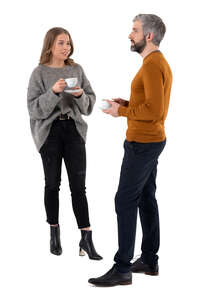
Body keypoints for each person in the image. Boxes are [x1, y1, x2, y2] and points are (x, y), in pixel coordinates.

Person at [88, 14, 173, 286]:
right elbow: (149, 103)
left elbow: (155, 110)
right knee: (146, 198)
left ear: (148, 36)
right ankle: (149, 259)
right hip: (150, 139)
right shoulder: (155, 62)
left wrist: (121, 111)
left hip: (143, 143)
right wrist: (126, 102)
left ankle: (122, 267)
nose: (130, 35)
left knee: (124, 200)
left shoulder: (152, 64)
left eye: (134, 30)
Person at [27, 27, 102, 260]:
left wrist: (79, 95)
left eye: (68, 43)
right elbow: (34, 109)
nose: (66, 47)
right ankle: (54, 232)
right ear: (50, 45)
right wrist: (54, 92)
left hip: (73, 130)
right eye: (61, 43)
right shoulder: (39, 73)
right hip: (49, 132)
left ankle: (86, 238)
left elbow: (89, 105)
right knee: (52, 184)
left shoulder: (76, 70)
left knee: (79, 186)